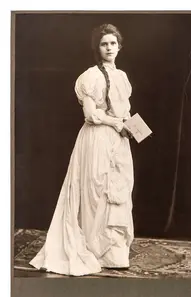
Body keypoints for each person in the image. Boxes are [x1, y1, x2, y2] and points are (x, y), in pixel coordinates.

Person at [29, 23, 134, 276]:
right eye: (104, 44)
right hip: (97, 139)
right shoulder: (91, 76)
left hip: (118, 140)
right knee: (96, 192)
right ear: (97, 48)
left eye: (112, 43)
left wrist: (129, 125)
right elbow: (90, 115)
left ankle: (114, 252)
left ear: (119, 47)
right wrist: (116, 123)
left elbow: (124, 109)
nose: (109, 48)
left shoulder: (122, 77)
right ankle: (93, 248)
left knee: (119, 190)